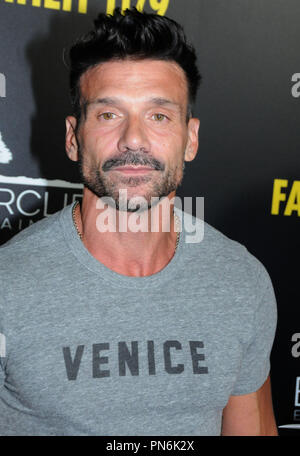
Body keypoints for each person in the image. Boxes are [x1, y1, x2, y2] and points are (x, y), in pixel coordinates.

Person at [0, 8, 277, 436]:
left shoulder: (242, 280)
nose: (133, 139)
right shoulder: (7, 286)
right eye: (109, 114)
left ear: (192, 139)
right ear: (74, 138)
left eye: (159, 116)